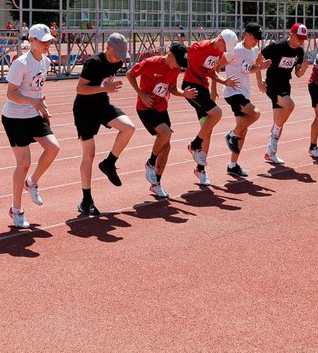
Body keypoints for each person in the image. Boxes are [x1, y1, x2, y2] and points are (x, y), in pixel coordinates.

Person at [1, 23, 61, 229]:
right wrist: (33, 102)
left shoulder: (45, 61)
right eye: (43, 41)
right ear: (31, 41)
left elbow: (36, 90)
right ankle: (16, 210)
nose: (47, 44)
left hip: (34, 113)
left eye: (49, 41)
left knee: (53, 148)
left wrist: (42, 105)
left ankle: (32, 182)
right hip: (15, 116)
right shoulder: (21, 63)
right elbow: (11, 93)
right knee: (23, 163)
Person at [72, 33, 136, 216]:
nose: (119, 58)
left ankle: (109, 163)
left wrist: (105, 89)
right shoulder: (94, 63)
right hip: (84, 110)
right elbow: (80, 89)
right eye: (117, 53)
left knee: (128, 128)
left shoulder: (118, 62)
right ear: (108, 47)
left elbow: (105, 84)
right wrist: (103, 88)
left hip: (102, 105)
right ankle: (86, 200)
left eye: (122, 54)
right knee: (89, 154)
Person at [126, 43, 191, 199]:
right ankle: (151, 162)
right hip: (145, 108)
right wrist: (141, 93)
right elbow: (130, 74)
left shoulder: (175, 68)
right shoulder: (150, 63)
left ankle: (156, 184)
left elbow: (173, 88)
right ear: (170, 55)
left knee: (166, 146)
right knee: (165, 133)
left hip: (161, 108)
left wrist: (184, 94)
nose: (178, 67)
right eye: (178, 62)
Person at [180, 30, 241, 186]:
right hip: (191, 87)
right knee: (217, 113)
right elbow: (178, 59)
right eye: (224, 47)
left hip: (203, 89)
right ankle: (194, 145)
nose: (224, 51)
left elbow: (211, 72)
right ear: (219, 39)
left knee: (208, 128)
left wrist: (224, 82)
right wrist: (174, 87)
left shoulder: (218, 51)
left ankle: (200, 169)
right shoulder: (198, 48)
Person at [220, 23, 270, 178]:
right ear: (247, 35)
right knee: (255, 114)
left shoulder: (253, 50)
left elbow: (250, 69)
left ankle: (232, 165)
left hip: (244, 92)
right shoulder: (234, 50)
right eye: (255, 38)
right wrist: (218, 86)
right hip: (232, 92)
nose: (257, 42)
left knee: (244, 129)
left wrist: (262, 68)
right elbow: (215, 67)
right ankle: (231, 135)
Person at [258, 23, 312, 165]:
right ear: (291, 34)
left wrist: (304, 68)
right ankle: (273, 135)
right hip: (272, 84)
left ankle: (271, 153)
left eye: (303, 39)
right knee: (290, 105)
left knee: (279, 120)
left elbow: (298, 74)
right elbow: (258, 58)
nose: (301, 41)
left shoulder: (299, 52)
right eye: (299, 38)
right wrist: (259, 80)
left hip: (285, 85)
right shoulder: (277, 47)